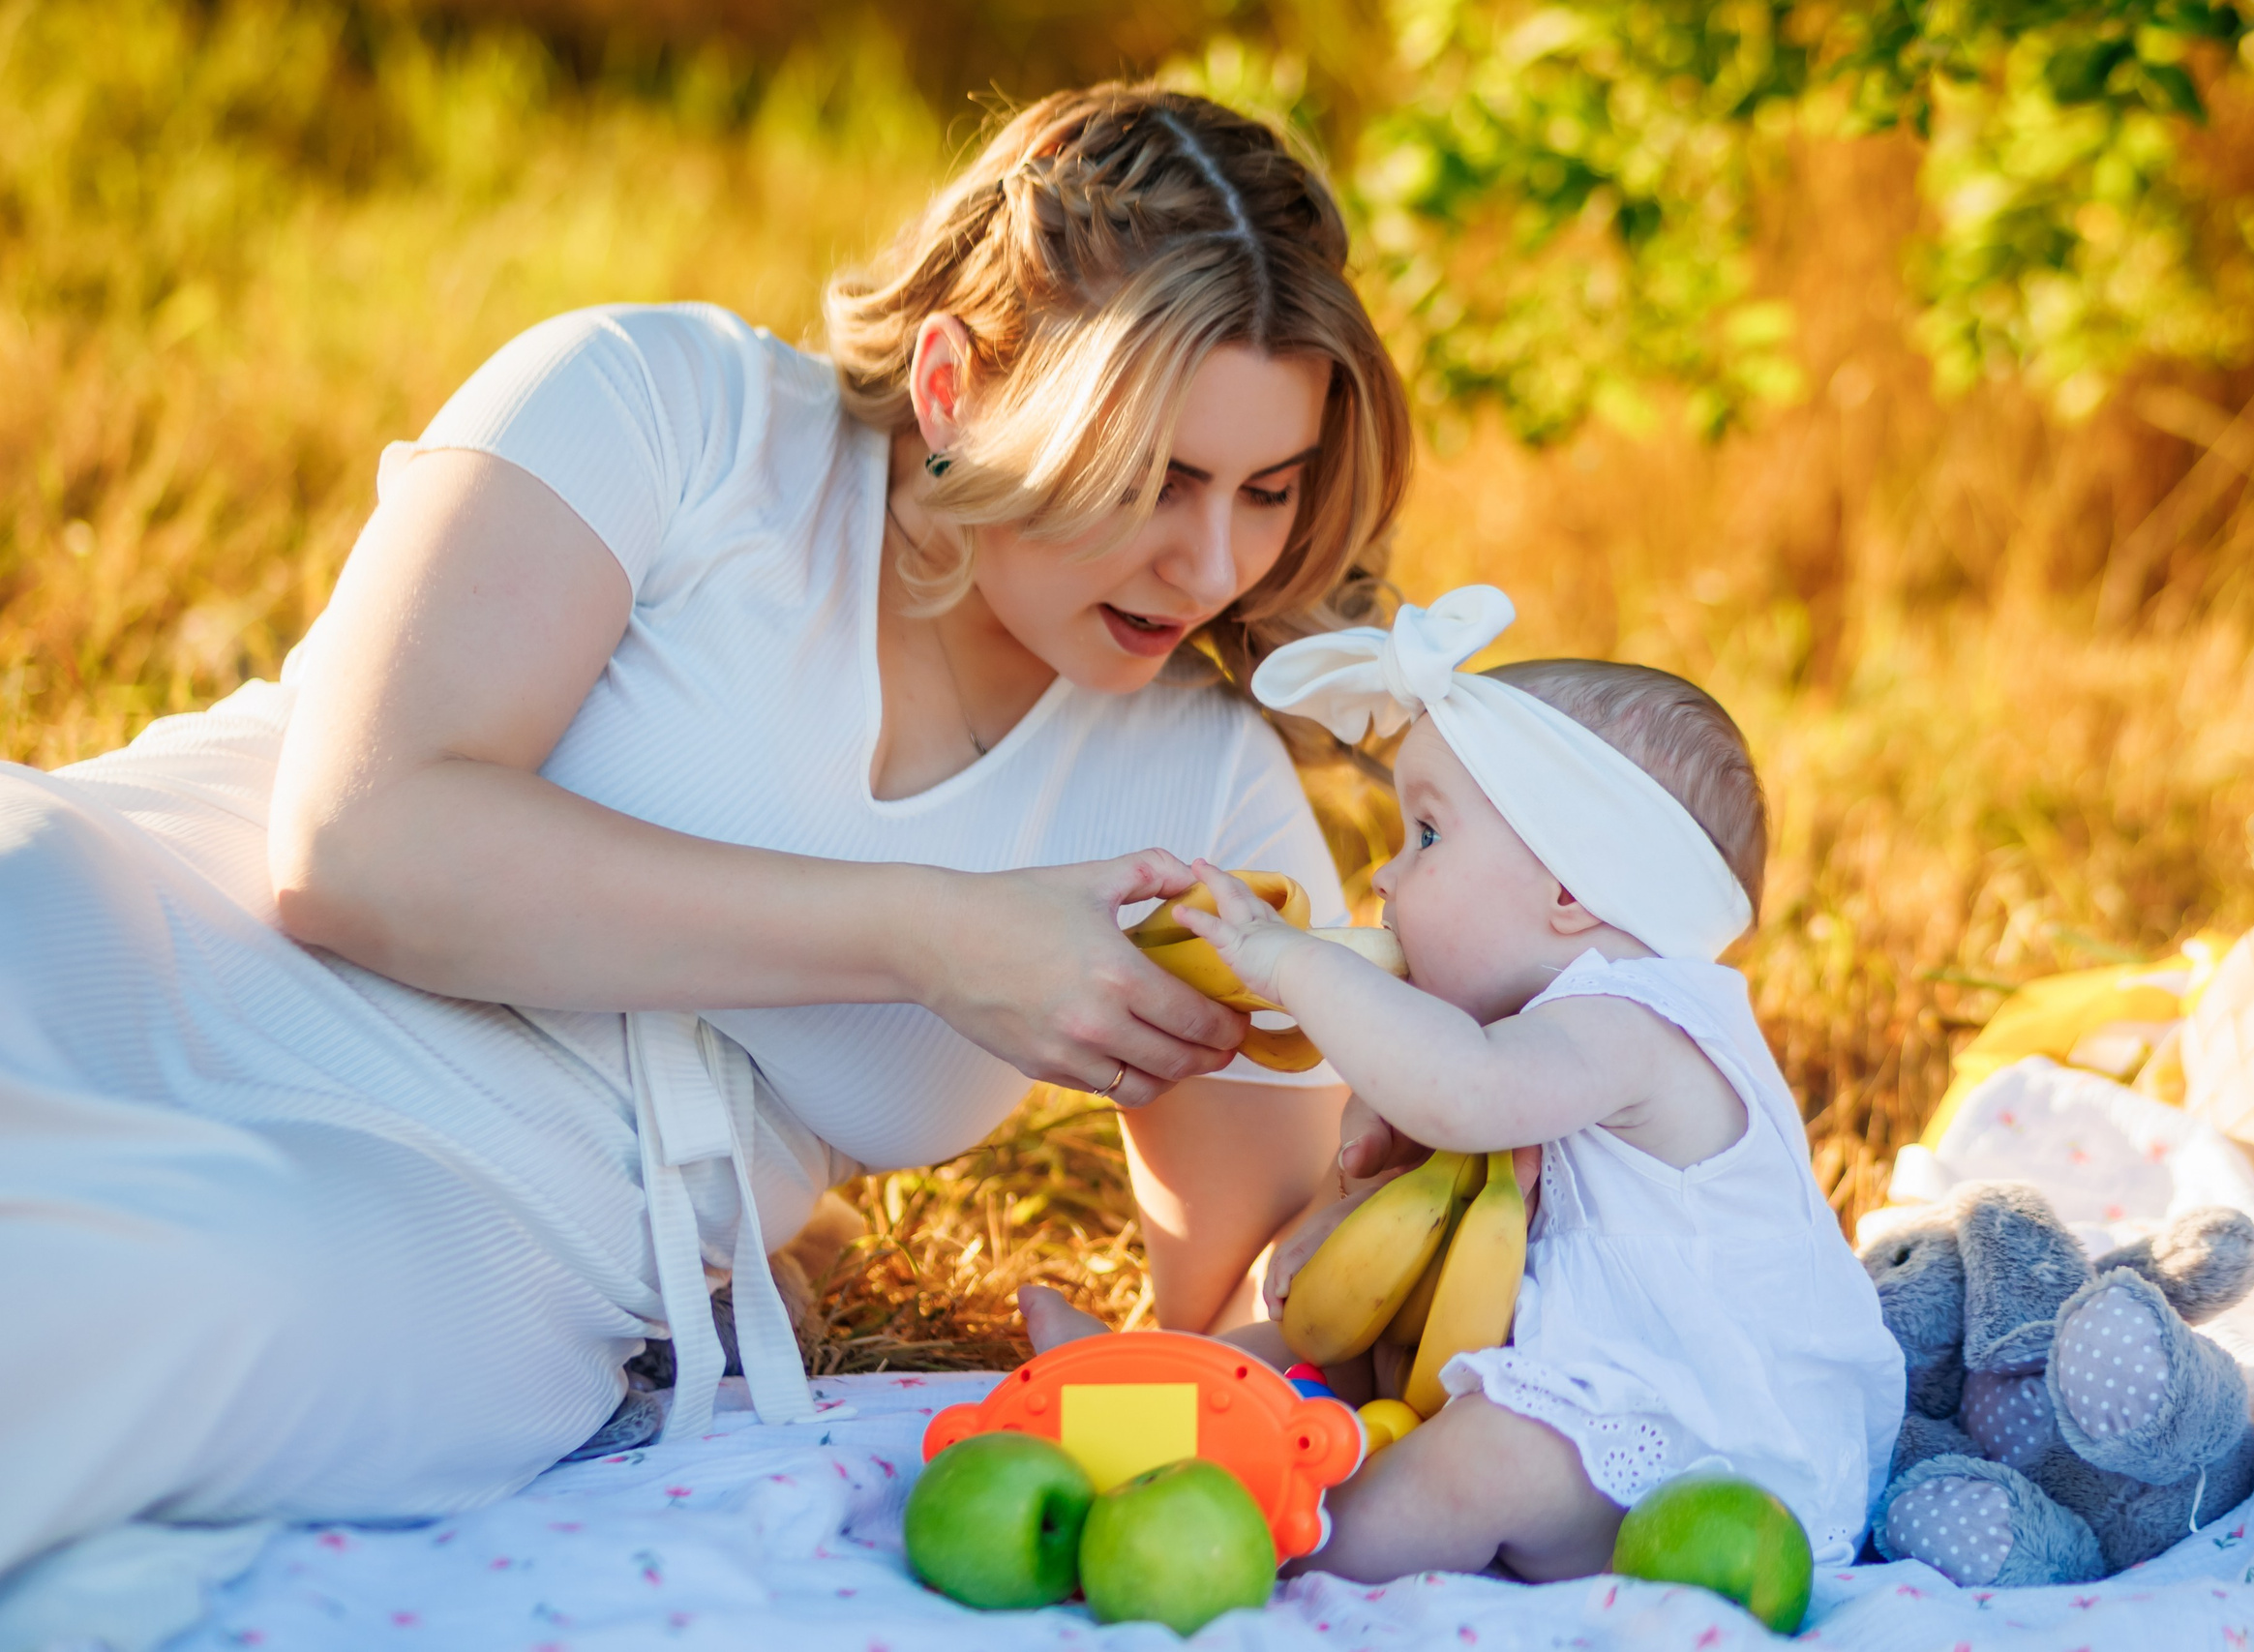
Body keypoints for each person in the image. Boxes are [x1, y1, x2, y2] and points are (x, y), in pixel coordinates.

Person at [0, 83, 1414, 1593]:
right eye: (1153, 477)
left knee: (132, 1305)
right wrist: (929, 929)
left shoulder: (1195, 789)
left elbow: (1258, 1300)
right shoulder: (669, 412)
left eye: (1268, 490)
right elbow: (355, 845)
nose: (1210, 562)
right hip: (156, 925)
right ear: (953, 384)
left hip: (463, 1225)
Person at [1024, 586, 1906, 1582]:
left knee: (1489, 1458)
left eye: (1428, 837)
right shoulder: (1520, 1037)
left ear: (1574, 892)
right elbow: (1401, 1191)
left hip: (1709, 1443)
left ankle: (1283, 1540)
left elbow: (1464, 1091)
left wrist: (1291, 963)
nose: (1388, 879)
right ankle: (1121, 1404)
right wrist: (1342, 1204)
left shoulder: (1640, 1022)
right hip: (1565, 1376)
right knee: (1323, 1355)